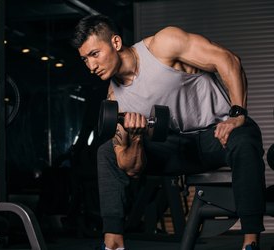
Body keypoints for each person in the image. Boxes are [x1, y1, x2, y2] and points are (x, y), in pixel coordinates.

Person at [71, 14, 266, 250]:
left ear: (115, 43)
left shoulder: (163, 45)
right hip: (178, 148)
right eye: (85, 59)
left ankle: (250, 241)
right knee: (107, 153)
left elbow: (228, 61)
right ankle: (113, 244)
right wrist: (133, 139)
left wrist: (236, 115)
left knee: (244, 136)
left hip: (218, 135)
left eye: (94, 54)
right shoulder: (115, 99)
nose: (91, 66)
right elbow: (131, 168)